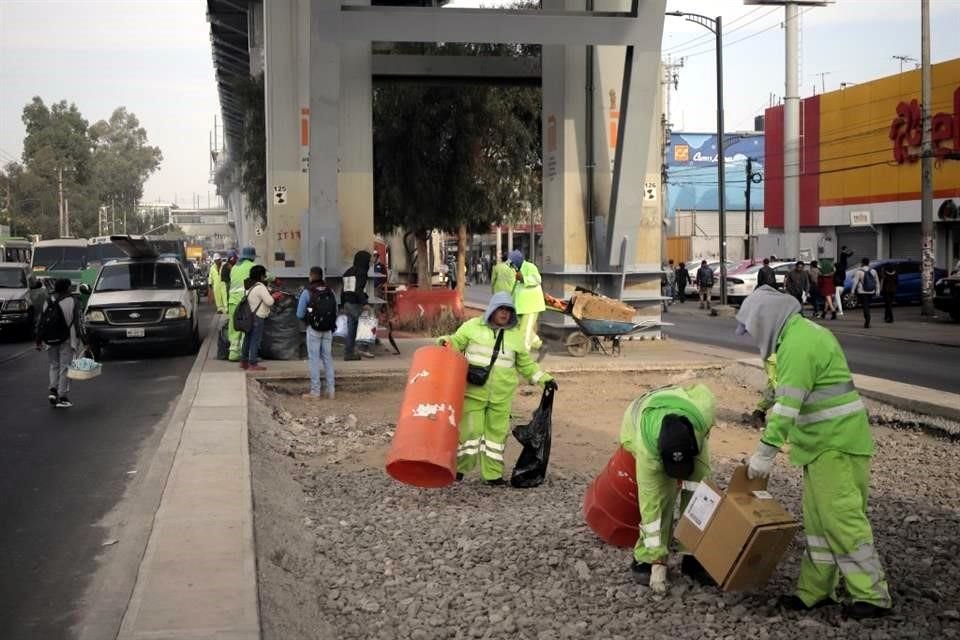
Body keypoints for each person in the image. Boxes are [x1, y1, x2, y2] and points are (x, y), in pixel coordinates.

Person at [737, 286, 892, 620]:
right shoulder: (796, 337)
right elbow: (781, 392)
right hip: (823, 445)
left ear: (765, 321)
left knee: (842, 519)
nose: (753, 337)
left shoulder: (798, 344)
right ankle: (815, 592)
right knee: (820, 526)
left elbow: (787, 407)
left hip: (835, 444)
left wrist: (765, 453)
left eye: (752, 329)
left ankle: (872, 595)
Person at [438, 292, 556, 485]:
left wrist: (545, 379)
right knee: (470, 433)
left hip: (501, 397)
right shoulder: (472, 327)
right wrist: (444, 342)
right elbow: (455, 342)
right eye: (501, 309)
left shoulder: (516, 337)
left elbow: (526, 365)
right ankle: (459, 469)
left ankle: (492, 476)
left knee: (496, 437)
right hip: (473, 393)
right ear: (492, 309)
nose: (505, 314)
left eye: (509, 310)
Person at [619, 384, 716, 592]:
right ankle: (645, 558)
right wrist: (657, 560)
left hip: (688, 421)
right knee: (660, 499)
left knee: (701, 493)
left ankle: (692, 554)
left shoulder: (702, 415)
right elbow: (651, 507)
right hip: (642, 430)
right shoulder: (647, 451)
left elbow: (704, 392)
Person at [36, 278, 84, 408]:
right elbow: (77, 322)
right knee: (65, 367)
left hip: (50, 339)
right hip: (67, 338)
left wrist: (39, 340)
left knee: (54, 365)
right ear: (67, 288)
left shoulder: (48, 301)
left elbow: (42, 322)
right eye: (69, 286)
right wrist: (83, 339)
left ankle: (52, 391)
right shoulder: (73, 301)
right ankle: (62, 397)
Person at [297, 266, 337, 400]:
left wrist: (308, 320)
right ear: (322, 276)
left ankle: (315, 392)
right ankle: (331, 391)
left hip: (313, 329)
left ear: (311, 276)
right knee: (328, 358)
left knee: (314, 360)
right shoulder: (330, 290)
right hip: (328, 330)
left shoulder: (307, 292)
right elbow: (335, 310)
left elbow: (299, 313)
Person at [508, 250, 545, 352]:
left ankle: (524, 354)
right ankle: (539, 345)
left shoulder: (530, 266)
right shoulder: (516, 270)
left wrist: (524, 279)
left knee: (525, 332)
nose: (511, 266)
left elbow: (538, 279)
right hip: (521, 307)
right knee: (521, 329)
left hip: (531, 306)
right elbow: (514, 288)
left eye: (512, 263)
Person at [240, 265, 274, 371]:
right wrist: (273, 296)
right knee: (255, 340)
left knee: (247, 339)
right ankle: (253, 363)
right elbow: (270, 302)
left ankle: (244, 361)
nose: (265, 277)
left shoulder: (250, 286)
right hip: (258, 318)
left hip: (249, 317)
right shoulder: (260, 287)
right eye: (264, 275)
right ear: (261, 276)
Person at [227, 247, 258, 361]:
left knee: (234, 326)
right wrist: (274, 279)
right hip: (244, 303)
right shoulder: (253, 267)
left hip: (232, 302)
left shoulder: (234, 267)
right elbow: (266, 276)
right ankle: (245, 354)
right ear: (252, 258)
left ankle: (233, 354)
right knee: (246, 326)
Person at [341, 250, 371, 361]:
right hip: (355, 304)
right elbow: (358, 289)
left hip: (347, 303)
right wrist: (365, 303)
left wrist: (342, 304)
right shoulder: (362, 272)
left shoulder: (347, 272)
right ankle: (363, 348)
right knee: (366, 323)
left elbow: (344, 290)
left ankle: (349, 353)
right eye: (368, 260)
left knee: (351, 329)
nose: (369, 262)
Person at [851, 257, 879, 329]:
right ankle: (867, 319)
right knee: (867, 306)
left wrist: (852, 291)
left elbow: (855, 282)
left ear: (862, 263)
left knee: (865, 307)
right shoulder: (873, 271)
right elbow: (876, 282)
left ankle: (867, 320)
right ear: (868, 263)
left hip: (862, 292)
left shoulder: (859, 271)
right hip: (871, 291)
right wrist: (877, 290)